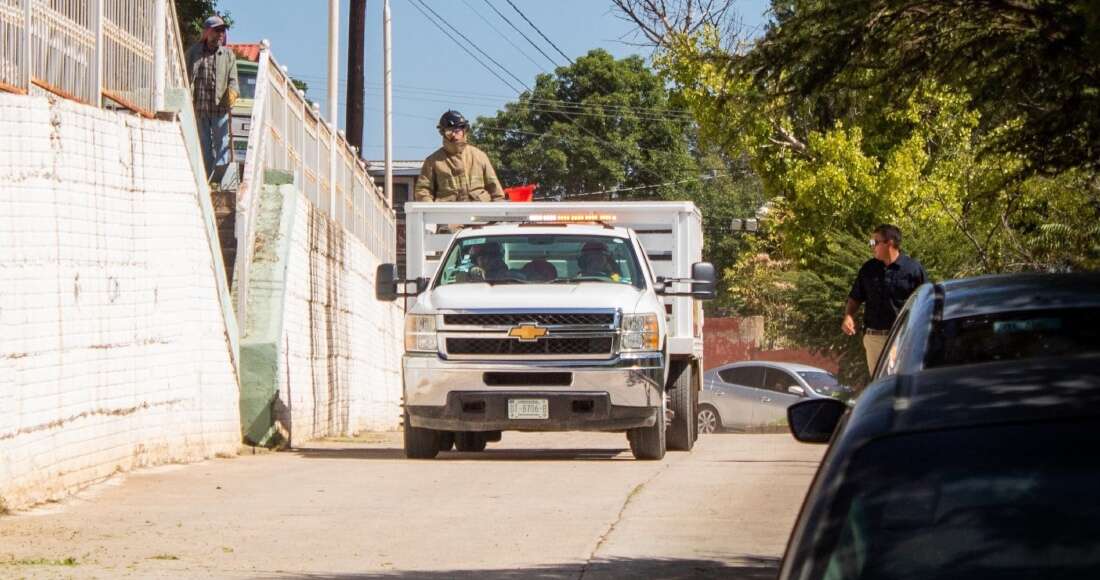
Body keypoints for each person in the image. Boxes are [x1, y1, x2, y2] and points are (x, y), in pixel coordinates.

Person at [842, 224, 927, 375]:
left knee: (900, 385)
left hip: (902, 338)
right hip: (873, 338)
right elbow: (855, 297)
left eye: (875, 242)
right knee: (879, 386)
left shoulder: (913, 269)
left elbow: (925, 302)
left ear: (890, 242)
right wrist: (848, 316)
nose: (871, 246)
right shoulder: (868, 268)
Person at [186, 15, 239, 182]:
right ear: (208, 32)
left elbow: (234, 82)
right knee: (204, 147)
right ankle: (207, 181)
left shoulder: (228, 55)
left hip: (219, 109)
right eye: (217, 30)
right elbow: (184, 75)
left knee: (223, 145)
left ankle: (217, 180)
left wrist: (232, 93)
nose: (220, 34)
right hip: (200, 108)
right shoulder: (194, 52)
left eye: (222, 31)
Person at [414, 110, 506, 202]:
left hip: (479, 212)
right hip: (447, 214)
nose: (454, 135)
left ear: (464, 130)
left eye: (457, 130)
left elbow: (496, 192)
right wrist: (430, 211)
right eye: (449, 131)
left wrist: (498, 212)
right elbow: (423, 191)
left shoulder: (479, 156)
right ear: (442, 133)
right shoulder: (433, 161)